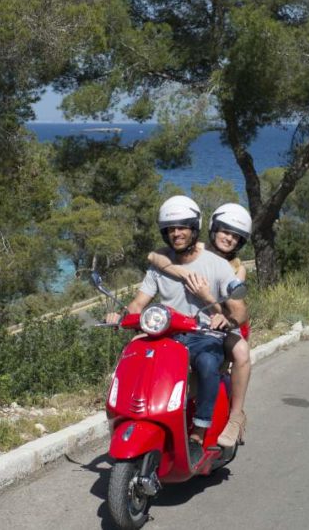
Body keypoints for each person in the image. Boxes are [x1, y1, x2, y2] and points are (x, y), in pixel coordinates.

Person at [107, 195, 246, 466]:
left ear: (194, 228)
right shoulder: (160, 266)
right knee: (135, 361)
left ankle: (197, 433)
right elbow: (138, 302)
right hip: (166, 336)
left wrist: (225, 321)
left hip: (204, 336)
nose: (176, 233)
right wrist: (120, 315)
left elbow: (240, 312)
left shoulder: (217, 265)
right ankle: (139, 420)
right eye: (170, 229)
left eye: (182, 227)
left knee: (207, 364)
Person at [147, 202, 252, 448]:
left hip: (221, 323)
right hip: (187, 325)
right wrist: (182, 274)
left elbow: (233, 310)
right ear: (214, 229)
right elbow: (154, 257)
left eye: (236, 237)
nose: (229, 239)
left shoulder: (238, 268)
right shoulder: (196, 248)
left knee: (241, 352)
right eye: (225, 232)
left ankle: (236, 416)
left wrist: (207, 297)